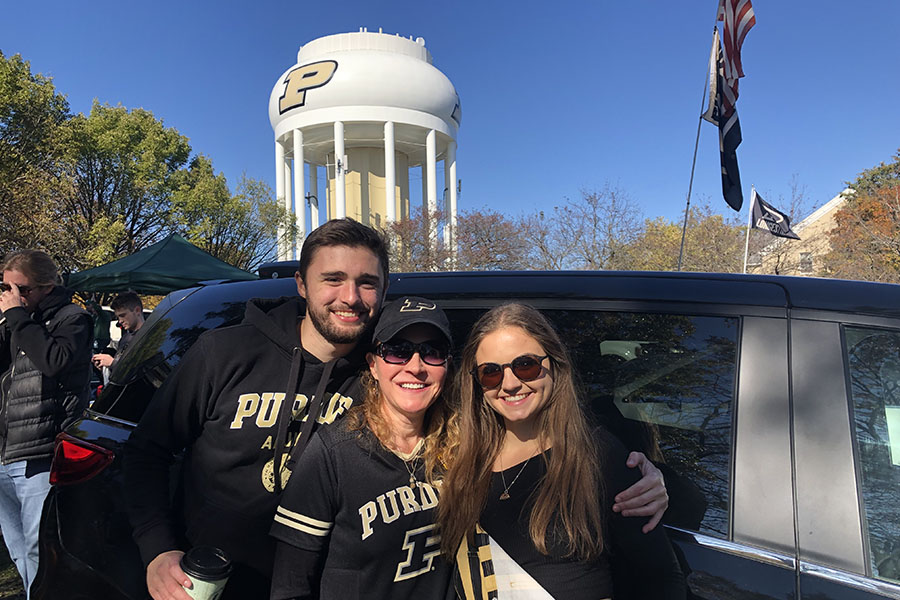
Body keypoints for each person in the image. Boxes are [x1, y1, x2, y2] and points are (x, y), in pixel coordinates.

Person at [123, 219, 391, 600]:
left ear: (384, 289)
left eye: (367, 282)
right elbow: (146, 451)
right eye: (332, 279)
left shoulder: (388, 376)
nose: (350, 297)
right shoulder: (223, 352)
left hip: (324, 587)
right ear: (301, 284)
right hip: (215, 583)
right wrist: (158, 550)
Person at [438, 303, 686, 599]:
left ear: (553, 364)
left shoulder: (598, 457)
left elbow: (662, 580)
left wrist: (662, 484)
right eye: (490, 372)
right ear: (476, 383)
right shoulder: (456, 456)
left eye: (525, 365)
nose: (511, 384)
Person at [270, 296, 455, 599]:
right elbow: (290, 586)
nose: (416, 367)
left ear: (447, 365)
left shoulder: (462, 447)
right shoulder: (333, 453)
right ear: (373, 365)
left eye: (433, 352)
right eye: (398, 351)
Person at [0, 250, 93, 599]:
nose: (13, 296)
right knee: (18, 549)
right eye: (6, 287)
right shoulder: (17, 320)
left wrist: (18, 318)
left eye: (20, 288)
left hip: (42, 450)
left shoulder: (73, 319)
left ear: (47, 286)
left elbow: (53, 362)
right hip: (6, 449)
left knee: (40, 548)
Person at [92, 291, 146, 380]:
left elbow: (141, 373)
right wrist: (105, 368)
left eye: (123, 315)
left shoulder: (148, 337)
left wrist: (112, 363)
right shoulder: (125, 338)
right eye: (118, 317)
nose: (120, 321)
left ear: (137, 310)